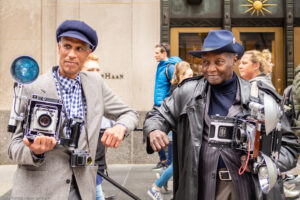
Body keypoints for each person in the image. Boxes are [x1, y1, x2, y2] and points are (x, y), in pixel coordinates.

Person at [143, 30, 300, 200]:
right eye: (205, 62)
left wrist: (262, 163)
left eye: (219, 62)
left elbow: (289, 148)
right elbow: (157, 115)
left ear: (234, 60)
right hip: (200, 189)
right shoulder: (187, 93)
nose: (210, 68)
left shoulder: (262, 98)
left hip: (248, 189)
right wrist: (154, 130)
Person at [8, 20, 138, 200]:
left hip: (82, 189)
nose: (71, 54)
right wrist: (34, 151)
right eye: (67, 46)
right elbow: (13, 147)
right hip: (39, 192)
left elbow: (130, 113)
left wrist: (121, 126)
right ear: (58, 47)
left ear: (88, 53)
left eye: (79, 49)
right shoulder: (33, 86)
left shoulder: (95, 84)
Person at [147, 61, 193, 200]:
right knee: (177, 164)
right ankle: (156, 187)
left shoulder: (181, 90)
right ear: (179, 76)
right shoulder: (178, 92)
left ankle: (163, 181)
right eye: (188, 75)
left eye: (192, 75)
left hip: (176, 134)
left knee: (174, 164)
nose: (191, 78)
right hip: (175, 134)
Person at [152, 43, 181, 171]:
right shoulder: (160, 66)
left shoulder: (169, 67)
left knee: (168, 135)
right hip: (157, 105)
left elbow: (175, 85)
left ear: (164, 54)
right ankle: (164, 160)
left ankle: (168, 162)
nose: (155, 55)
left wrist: (168, 103)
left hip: (164, 106)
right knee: (152, 133)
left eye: (157, 53)